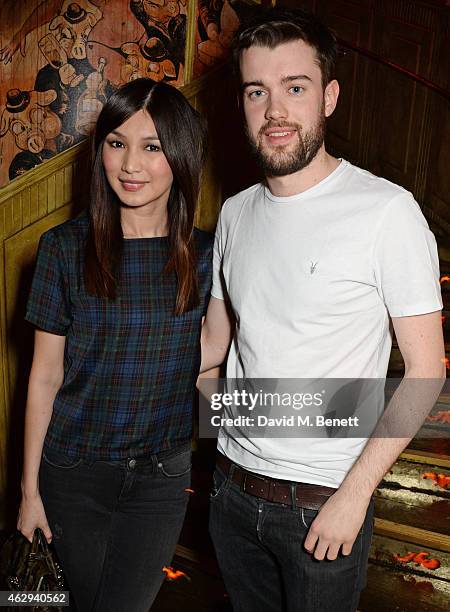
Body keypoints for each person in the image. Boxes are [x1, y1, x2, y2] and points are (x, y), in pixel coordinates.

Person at [200, 7, 445, 612]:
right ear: (243, 103)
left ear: (329, 97)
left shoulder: (386, 211)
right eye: (258, 91)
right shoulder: (235, 212)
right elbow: (216, 341)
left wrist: (353, 495)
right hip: (230, 490)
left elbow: (426, 371)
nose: (275, 110)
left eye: (295, 87)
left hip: (323, 503)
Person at [18, 77, 212, 612]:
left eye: (152, 147)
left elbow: (216, 365)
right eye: (117, 143)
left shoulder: (209, 256)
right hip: (74, 473)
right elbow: (44, 376)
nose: (131, 165)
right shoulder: (62, 248)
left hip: (161, 477)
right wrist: (29, 491)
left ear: (180, 156)